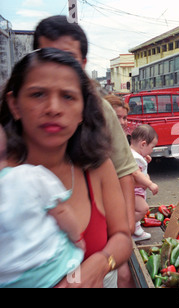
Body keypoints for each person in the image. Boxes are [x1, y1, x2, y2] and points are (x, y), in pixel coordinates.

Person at [0, 48, 132, 287]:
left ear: (83, 111)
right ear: (14, 104)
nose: (53, 108)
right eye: (38, 94)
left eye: (68, 97)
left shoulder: (97, 167)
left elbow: (122, 237)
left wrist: (101, 264)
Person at [33, 15, 139, 238]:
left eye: (67, 59)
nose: (58, 68)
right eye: (48, 58)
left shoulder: (101, 111)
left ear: (82, 64)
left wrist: (125, 235)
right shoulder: (22, 113)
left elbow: (123, 171)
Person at [0, 125, 85, 288]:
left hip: (11, 281)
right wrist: (77, 238)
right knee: (76, 266)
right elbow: (61, 211)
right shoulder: (29, 175)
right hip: (54, 266)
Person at [129, 125, 159, 241]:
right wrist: (150, 184)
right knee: (143, 209)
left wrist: (144, 158)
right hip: (134, 191)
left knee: (136, 209)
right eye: (152, 147)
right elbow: (136, 174)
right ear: (143, 144)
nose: (152, 150)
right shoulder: (135, 158)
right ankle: (128, 227)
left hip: (136, 190)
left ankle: (135, 230)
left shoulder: (133, 154)